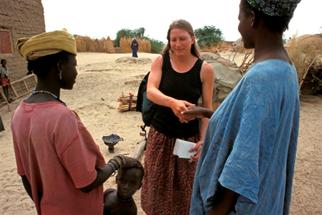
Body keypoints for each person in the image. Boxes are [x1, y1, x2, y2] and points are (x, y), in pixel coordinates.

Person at [189, 0, 301, 214]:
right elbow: (254, 127)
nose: (238, 24)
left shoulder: (261, 79)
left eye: (240, 17)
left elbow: (239, 173)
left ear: (253, 18)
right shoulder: (285, 68)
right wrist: (206, 112)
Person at [11, 30, 135, 215]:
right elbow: (88, 181)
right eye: (74, 65)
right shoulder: (62, 117)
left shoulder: (19, 114)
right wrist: (117, 161)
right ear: (60, 66)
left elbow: (25, 176)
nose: (76, 72)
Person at [141, 19, 215, 215]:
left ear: (192, 39)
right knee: (156, 187)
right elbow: (151, 91)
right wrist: (173, 103)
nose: (177, 44)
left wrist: (204, 140)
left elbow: (207, 110)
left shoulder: (204, 69)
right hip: (160, 136)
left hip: (188, 140)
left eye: (182, 38)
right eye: (173, 39)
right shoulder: (161, 61)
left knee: (185, 191)